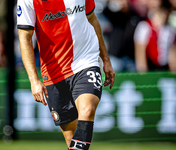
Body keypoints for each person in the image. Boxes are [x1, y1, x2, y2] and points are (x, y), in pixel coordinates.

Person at [17, 0, 115, 150]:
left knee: (87, 110)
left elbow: (92, 18)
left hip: (86, 61)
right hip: (53, 73)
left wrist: (105, 59)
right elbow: (24, 37)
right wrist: (34, 80)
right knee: (72, 139)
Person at [134, 0, 176, 72]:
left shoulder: (170, 30)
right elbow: (140, 54)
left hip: (165, 69)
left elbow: (172, 54)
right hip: (151, 68)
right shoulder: (144, 27)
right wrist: (143, 74)